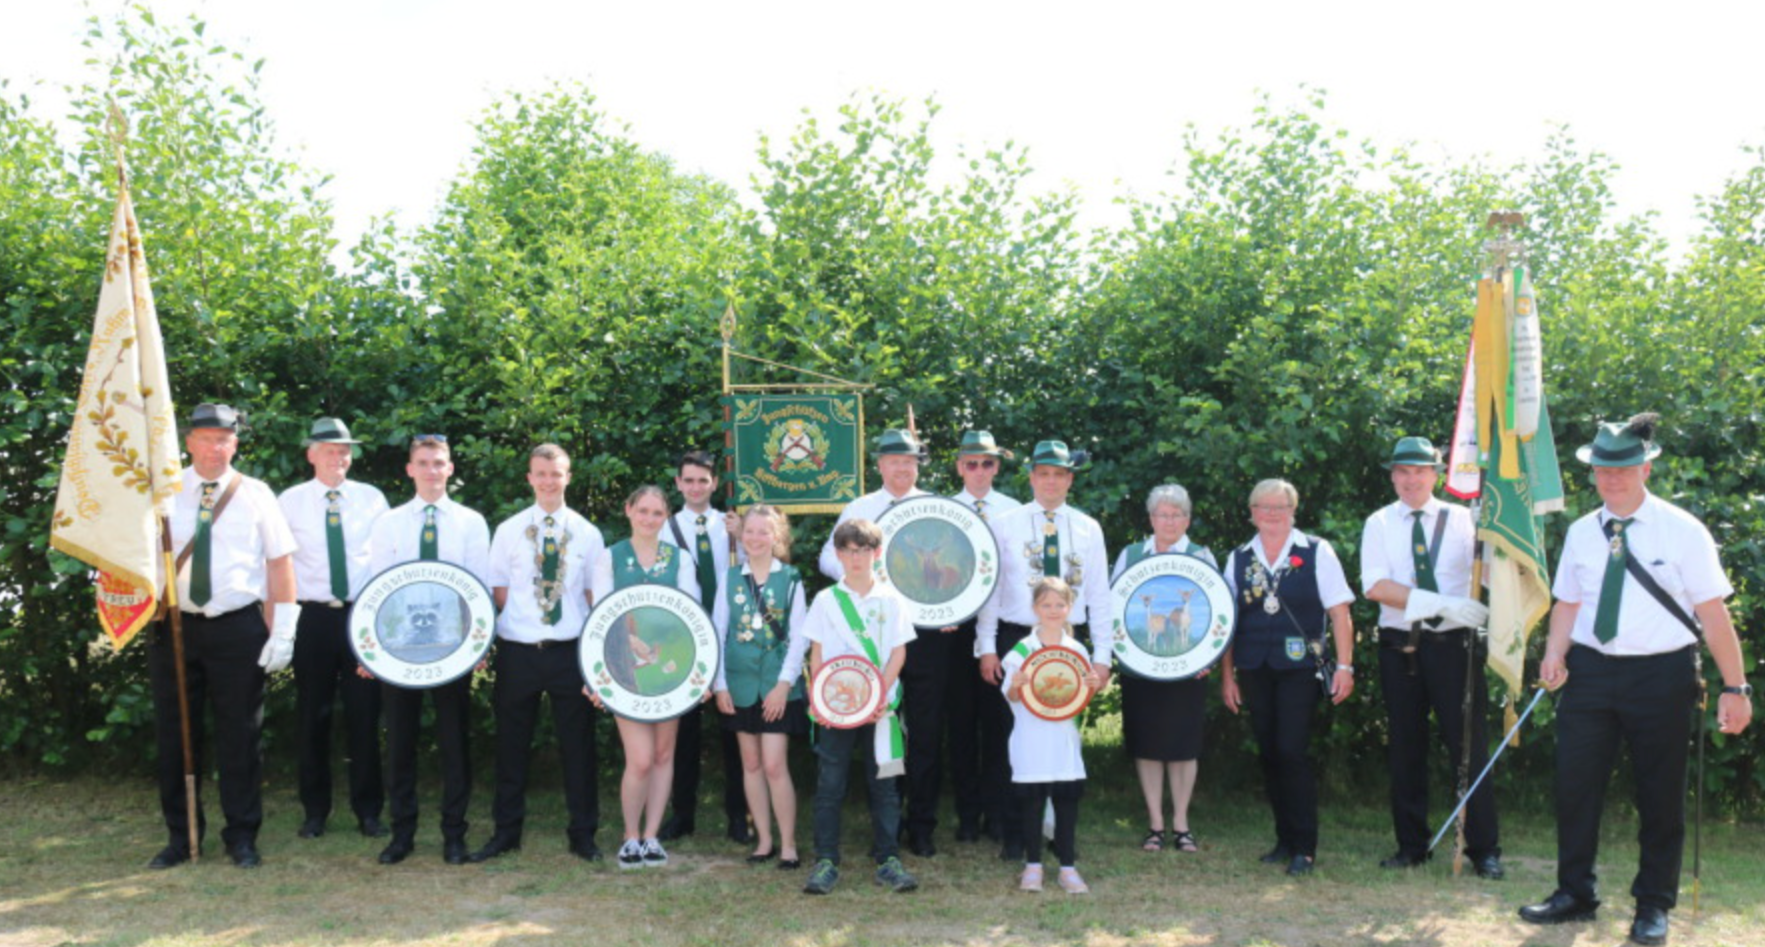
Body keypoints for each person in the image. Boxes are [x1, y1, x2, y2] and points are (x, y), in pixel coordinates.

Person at [1519, 414, 1753, 947]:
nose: (1612, 478)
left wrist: (1736, 688)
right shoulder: (1582, 532)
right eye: (1603, 468)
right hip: (1591, 673)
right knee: (1575, 788)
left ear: (1646, 468)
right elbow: (1568, 604)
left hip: (1662, 674)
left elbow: (1714, 616)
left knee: (1660, 795)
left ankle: (1653, 906)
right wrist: (1555, 654)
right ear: (1593, 472)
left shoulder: (1683, 530)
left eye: (1623, 468)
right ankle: (1574, 894)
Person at [147, 403, 298, 870]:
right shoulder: (161, 494)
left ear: (235, 443)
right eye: (206, 438)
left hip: (237, 627)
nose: (215, 447)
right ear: (188, 442)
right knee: (175, 736)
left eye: (224, 439)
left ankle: (242, 837)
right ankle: (181, 837)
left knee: (241, 737)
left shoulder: (255, 494)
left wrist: (283, 632)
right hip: (173, 625)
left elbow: (280, 562)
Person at [1359, 436, 1502, 878]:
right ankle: (1411, 845)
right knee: (1406, 746)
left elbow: (1493, 576)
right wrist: (1440, 603)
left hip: (1455, 647)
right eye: (1402, 471)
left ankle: (1484, 850)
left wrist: (1491, 539)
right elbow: (1376, 587)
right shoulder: (1379, 523)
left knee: (1468, 747)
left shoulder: (1463, 520)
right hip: (1401, 644)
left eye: (1420, 471)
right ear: (1392, 475)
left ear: (1437, 475)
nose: (1411, 479)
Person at [975, 439, 1114, 861]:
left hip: (1070, 642)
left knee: (1060, 732)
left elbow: (1100, 595)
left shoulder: (1089, 527)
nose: (1051, 481)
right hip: (1017, 639)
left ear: (1069, 479)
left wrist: (1103, 655)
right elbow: (991, 589)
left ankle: (1059, 832)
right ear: (1032, 477)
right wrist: (987, 647)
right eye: (1043, 473)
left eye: (1059, 474)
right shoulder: (1006, 523)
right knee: (1012, 736)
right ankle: (1015, 833)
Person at [469, 444, 606, 864]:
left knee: (578, 747)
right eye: (541, 473)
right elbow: (499, 590)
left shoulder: (587, 533)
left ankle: (582, 834)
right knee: (511, 744)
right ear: (529, 478)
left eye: (556, 473)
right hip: (519, 651)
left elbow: (591, 595)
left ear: (568, 477)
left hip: (570, 651)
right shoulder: (509, 530)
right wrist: (527, 623)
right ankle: (506, 833)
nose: (549, 481)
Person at [1219, 478, 1355, 876]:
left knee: (1292, 752)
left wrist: (1344, 667)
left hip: (1300, 668)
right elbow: (1227, 622)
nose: (1271, 514)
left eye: (1280, 507)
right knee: (1269, 753)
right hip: (1254, 668)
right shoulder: (1239, 557)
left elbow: (1340, 612)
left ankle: (1305, 847)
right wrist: (1228, 677)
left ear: (1293, 511)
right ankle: (1283, 838)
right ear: (1252, 513)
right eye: (1263, 507)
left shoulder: (1317, 551)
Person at [367, 433, 491, 866]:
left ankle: (453, 835)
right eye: (423, 463)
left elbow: (478, 592)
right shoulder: (388, 523)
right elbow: (377, 592)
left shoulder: (471, 522)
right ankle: (402, 835)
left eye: (439, 462)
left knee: (454, 743)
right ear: (410, 469)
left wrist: (478, 648)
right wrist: (373, 653)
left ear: (450, 468)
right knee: (400, 743)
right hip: (400, 650)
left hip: (453, 649)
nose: (432, 470)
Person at [279, 417, 390, 842]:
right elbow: (279, 564)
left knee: (365, 717)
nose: (338, 456)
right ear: (311, 454)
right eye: (329, 449)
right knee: (313, 716)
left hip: (360, 617)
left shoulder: (371, 499)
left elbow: (384, 560)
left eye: (344, 450)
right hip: (312, 618)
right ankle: (315, 812)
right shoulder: (289, 501)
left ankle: (369, 811)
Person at [801, 519, 918, 895]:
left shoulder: (892, 599)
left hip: (880, 709)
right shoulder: (825, 600)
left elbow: (898, 652)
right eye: (849, 551)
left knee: (884, 785)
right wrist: (820, 698)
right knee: (830, 784)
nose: (856, 558)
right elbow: (817, 654)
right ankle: (826, 860)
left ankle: (888, 858)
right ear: (838, 555)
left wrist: (878, 697)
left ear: (876, 553)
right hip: (836, 707)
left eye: (864, 550)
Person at [589, 485, 702, 869]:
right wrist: (597, 676)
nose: (650, 519)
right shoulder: (610, 557)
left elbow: (691, 615)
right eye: (643, 511)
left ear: (665, 517)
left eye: (657, 513)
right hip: (624, 668)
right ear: (628, 510)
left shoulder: (680, 559)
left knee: (663, 754)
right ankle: (629, 835)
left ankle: (652, 836)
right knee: (638, 759)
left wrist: (698, 677)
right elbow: (602, 619)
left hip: (669, 667)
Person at [927, 430, 1022, 849]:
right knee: (961, 725)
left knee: (1000, 725)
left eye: (986, 463)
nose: (979, 470)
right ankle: (967, 816)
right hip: (953, 630)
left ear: (997, 466)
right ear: (959, 467)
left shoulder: (1016, 512)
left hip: (1001, 630)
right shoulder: (942, 511)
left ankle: (999, 815)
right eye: (971, 463)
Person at [1110, 483, 1217, 855]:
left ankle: (1181, 823)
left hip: (1189, 670)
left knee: (1184, 746)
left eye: (1176, 514)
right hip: (1141, 670)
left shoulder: (1202, 556)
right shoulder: (1131, 554)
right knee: (1148, 744)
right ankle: (1155, 822)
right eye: (1162, 514)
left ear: (1186, 519)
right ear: (1151, 518)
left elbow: (1218, 610)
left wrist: (1207, 657)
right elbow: (1115, 607)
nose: (1169, 521)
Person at [660, 450, 752, 845]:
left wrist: (741, 537)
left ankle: (738, 814)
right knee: (684, 733)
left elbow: (756, 567)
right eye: (689, 480)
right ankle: (682, 814)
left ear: (714, 484)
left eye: (703, 480)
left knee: (735, 729)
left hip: (730, 632)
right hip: (685, 636)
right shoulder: (664, 526)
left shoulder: (732, 525)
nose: (696, 487)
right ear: (678, 484)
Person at [711, 504, 810, 869]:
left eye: (763, 532)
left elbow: (799, 637)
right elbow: (717, 630)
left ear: (777, 537)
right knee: (750, 764)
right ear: (741, 535)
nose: (755, 538)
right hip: (738, 683)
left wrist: (784, 685)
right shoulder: (730, 578)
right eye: (749, 531)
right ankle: (763, 841)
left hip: (775, 685)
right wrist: (720, 684)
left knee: (773, 765)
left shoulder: (792, 578)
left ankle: (788, 844)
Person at [1001, 577, 1097, 894]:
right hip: (1030, 738)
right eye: (1046, 605)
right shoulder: (1020, 651)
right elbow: (1011, 697)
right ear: (1034, 608)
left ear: (1070, 608)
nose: (1053, 610)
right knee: (1031, 803)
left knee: (1067, 801)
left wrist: (1093, 684)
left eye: (1059, 605)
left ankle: (1067, 868)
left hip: (1063, 741)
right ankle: (1033, 866)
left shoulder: (1078, 650)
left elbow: (1080, 696)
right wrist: (1016, 684)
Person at [816, 429, 930, 580]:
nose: (902, 468)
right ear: (880, 466)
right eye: (894, 462)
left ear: (917, 466)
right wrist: (855, 577)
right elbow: (828, 556)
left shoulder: (935, 507)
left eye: (908, 462)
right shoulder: (858, 509)